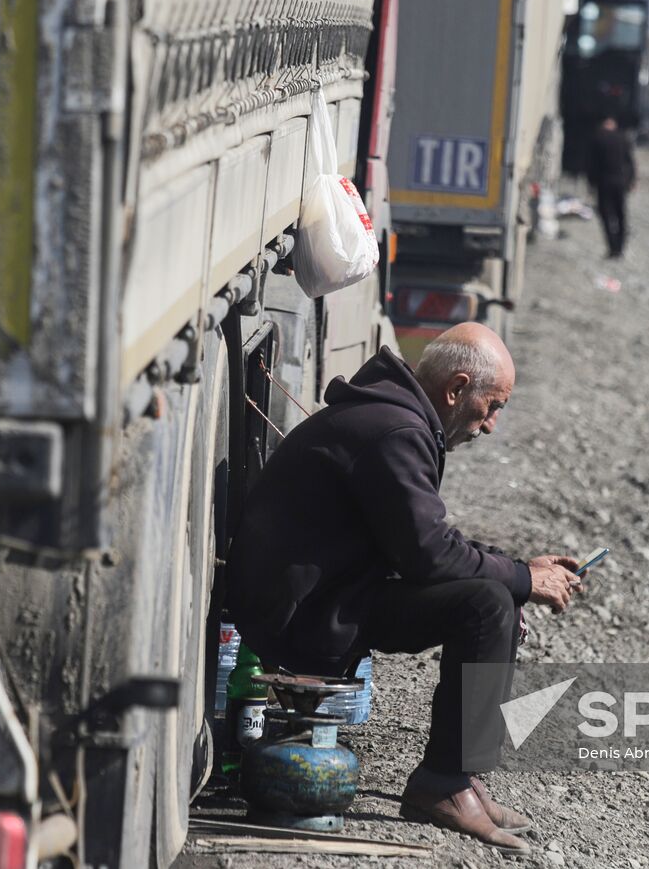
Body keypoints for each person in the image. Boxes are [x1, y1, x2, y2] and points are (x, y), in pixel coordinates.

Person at [225, 324, 582, 854]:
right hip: (299, 616)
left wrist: (516, 569)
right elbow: (429, 555)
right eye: (493, 406)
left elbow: (425, 540)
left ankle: (457, 776)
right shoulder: (395, 431)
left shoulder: (395, 417)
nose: (492, 425)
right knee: (486, 604)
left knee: (495, 594)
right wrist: (523, 580)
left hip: (326, 596)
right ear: (457, 388)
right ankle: (442, 782)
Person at [586, 116, 636, 259]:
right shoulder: (623, 138)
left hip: (604, 183)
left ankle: (613, 247)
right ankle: (620, 247)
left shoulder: (598, 138)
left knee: (606, 215)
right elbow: (630, 162)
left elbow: (592, 165)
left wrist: (591, 184)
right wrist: (631, 180)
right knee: (621, 215)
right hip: (620, 182)